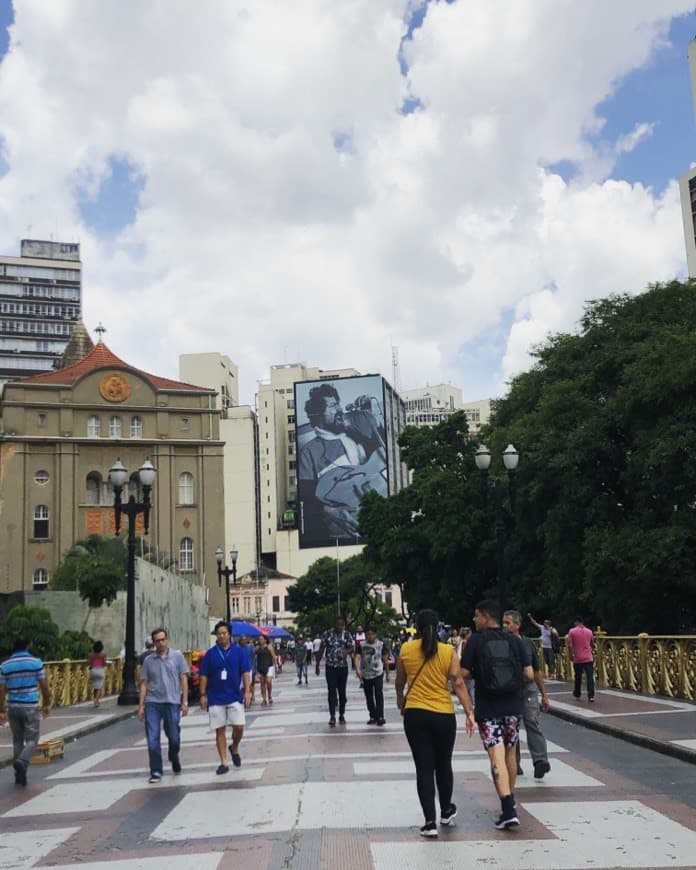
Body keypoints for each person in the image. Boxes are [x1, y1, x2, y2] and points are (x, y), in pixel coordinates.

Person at [395, 609, 475, 838]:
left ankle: (429, 822)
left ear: (417, 629)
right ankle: (446, 811)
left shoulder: (406, 649)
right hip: (443, 714)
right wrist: (469, 712)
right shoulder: (448, 650)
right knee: (443, 764)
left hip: (416, 715)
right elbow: (458, 683)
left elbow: (400, 681)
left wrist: (401, 700)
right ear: (438, 626)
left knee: (423, 768)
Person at [460, 599, 533, 830]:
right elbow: (529, 674)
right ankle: (509, 803)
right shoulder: (514, 640)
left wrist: (482, 677)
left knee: (496, 756)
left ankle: (508, 809)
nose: (474, 620)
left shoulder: (475, 641)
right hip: (513, 706)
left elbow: (463, 673)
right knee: (511, 754)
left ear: (485, 616)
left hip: (488, 708)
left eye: (476, 616)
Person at [297, 383, 388, 540]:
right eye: (332, 406)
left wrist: (367, 414)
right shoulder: (309, 452)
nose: (339, 409)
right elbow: (306, 498)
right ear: (317, 415)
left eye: (338, 403)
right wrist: (332, 512)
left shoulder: (353, 434)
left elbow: (381, 457)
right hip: (345, 530)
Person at [502, 610, 551, 780]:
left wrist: (544, 695)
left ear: (517, 625)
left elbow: (536, 670)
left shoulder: (528, 643)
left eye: (508, 623)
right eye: (504, 623)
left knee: (532, 722)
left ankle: (540, 761)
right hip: (509, 691)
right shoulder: (500, 643)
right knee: (511, 726)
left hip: (528, 689)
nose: (505, 626)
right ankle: (514, 762)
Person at [199, 621, 252, 774]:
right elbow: (203, 675)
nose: (222, 636)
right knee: (219, 730)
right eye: (219, 633)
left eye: (224, 633)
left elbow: (246, 672)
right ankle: (224, 762)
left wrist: (247, 691)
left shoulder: (239, 652)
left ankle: (234, 747)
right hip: (215, 696)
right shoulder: (210, 654)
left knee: (239, 727)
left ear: (229, 634)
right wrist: (203, 694)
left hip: (234, 695)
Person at [138, 627, 189, 783]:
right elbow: (144, 684)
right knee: (152, 739)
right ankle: (156, 771)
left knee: (174, 737)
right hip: (153, 703)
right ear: (153, 643)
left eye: (163, 639)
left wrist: (184, 701)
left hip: (172, 701)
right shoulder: (148, 661)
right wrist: (141, 706)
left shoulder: (177, 657)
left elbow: (184, 679)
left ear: (167, 640)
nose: (160, 643)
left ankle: (174, 756)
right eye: (157, 640)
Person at [0, 637, 51, 786]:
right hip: (30, 706)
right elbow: (44, 685)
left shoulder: (5, 665)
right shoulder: (36, 663)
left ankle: (19, 775)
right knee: (32, 739)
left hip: (13, 706)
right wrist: (47, 703)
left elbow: (1, 690)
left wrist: (1, 709)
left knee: (17, 739)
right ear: (27, 646)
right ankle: (22, 761)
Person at [315, 615, 354, 726]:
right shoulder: (327, 634)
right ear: (334, 624)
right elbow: (322, 649)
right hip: (330, 666)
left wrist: (346, 652)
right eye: (338, 624)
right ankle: (332, 716)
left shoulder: (346, 634)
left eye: (342, 625)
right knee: (332, 692)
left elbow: (352, 647)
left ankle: (342, 714)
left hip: (342, 667)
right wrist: (317, 665)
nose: (339, 626)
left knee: (342, 693)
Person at [354, 626, 390, 725]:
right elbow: (357, 657)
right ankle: (373, 716)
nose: (370, 636)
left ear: (375, 635)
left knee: (378, 694)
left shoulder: (381, 644)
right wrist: (357, 669)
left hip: (378, 672)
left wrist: (387, 673)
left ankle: (380, 716)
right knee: (369, 696)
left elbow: (385, 659)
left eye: (372, 634)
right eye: (368, 634)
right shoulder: (361, 645)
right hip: (366, 674)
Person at [567, 617, 595, 701]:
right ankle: (591, 696)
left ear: (576, 622)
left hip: (578, 657)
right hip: (588, 657)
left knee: (578, 677)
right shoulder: (589, 631)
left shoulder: (572, 631)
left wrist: (571, 654)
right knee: (590, 677)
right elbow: (592, 643)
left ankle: (577, 693)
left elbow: (570, 645)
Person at [527, 613, 560, 678]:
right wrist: (530, 617)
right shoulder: (542, 627)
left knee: (551, 661)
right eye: (544, 623)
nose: (544, 624)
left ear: (549, 624)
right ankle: (550, 673)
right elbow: (535, 623)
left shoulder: (552, 629)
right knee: (547, 661)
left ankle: (553, 674)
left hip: (550, 647)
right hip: (544, 646)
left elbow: (557, 635)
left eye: (546, 623)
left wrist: (550, 630)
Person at [256, 635, 279, 705]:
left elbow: (274, 657)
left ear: (265, 640)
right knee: (262, 683)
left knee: (268, 682)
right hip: (261, 667)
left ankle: (269, 695)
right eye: (259, 639)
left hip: (269, 666)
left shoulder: (269, 647)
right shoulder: (257, 648)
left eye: (262, 639)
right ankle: (264, 699)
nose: (260, 640)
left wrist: (276, 666)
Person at [87, 640, 107, 707]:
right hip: (100, 670)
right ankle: (96, 700)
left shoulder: (91, 655)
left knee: (95, 686)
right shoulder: (103, 655)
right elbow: (104, 663)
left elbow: (89, 663)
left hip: (93, 670)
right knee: (99, 687)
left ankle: (96, 699)